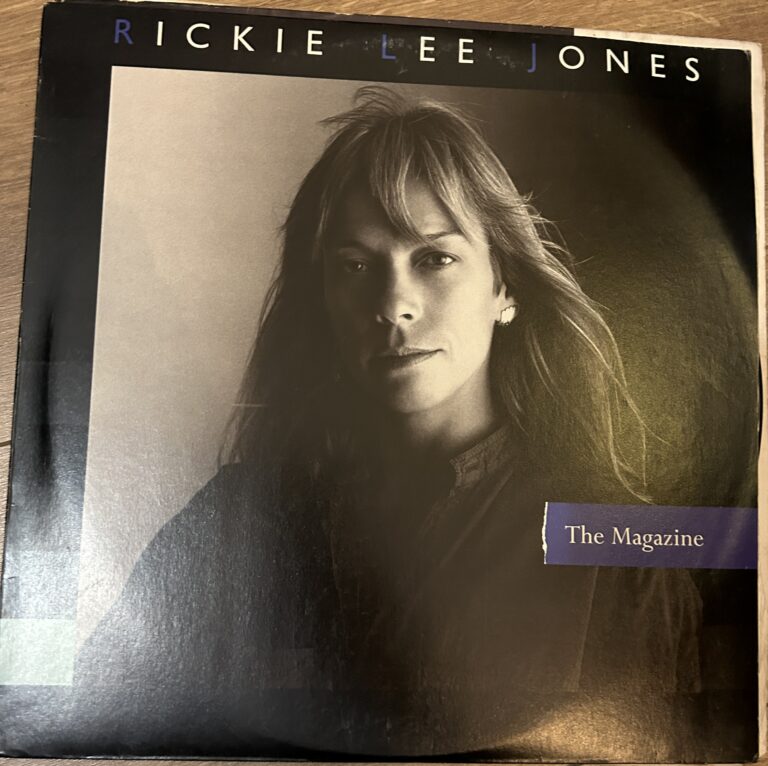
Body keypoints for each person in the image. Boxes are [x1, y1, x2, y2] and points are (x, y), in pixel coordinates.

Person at [72, 86, 714, 760]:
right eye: (355, 266)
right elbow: (95, 730)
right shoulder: (233, 522)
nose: (393, 304)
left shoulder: (619, 555)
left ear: (505, 286)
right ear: (323, 300)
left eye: (435, 259)